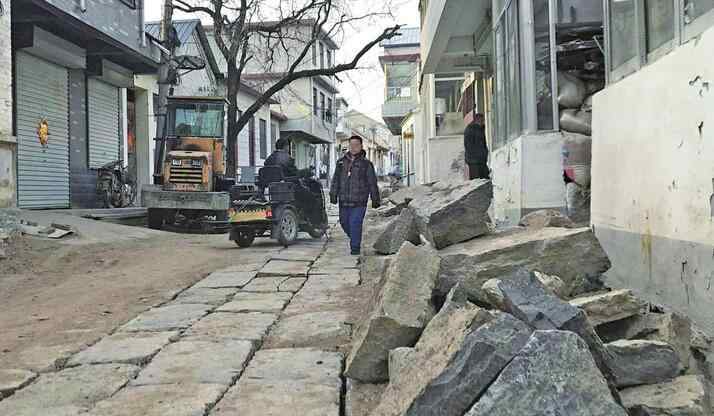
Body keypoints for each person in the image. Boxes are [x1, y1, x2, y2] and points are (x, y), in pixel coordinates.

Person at [330, 136, 381, 255]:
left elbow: (372, 182)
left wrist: (375, 199)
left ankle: (355, 249)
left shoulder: (366, 164)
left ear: (361, 146)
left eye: (356, 145)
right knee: (344, 223)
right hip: (344, 200)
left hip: (359, 202)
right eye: (351, 145)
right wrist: (333, 194)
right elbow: (335, 180)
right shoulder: (341, 162)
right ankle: (355, 238)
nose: (353, 148)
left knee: (355, 224)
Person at [463, 113, 490, 180]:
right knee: (476, 179)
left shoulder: (482, 128)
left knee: (485, 178)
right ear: (477, 120)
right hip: (474, 161)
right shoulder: (470, 129)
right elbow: (468, 146)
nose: (482, 122)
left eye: (483, 120)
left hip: (481, 160)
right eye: (481, 120)